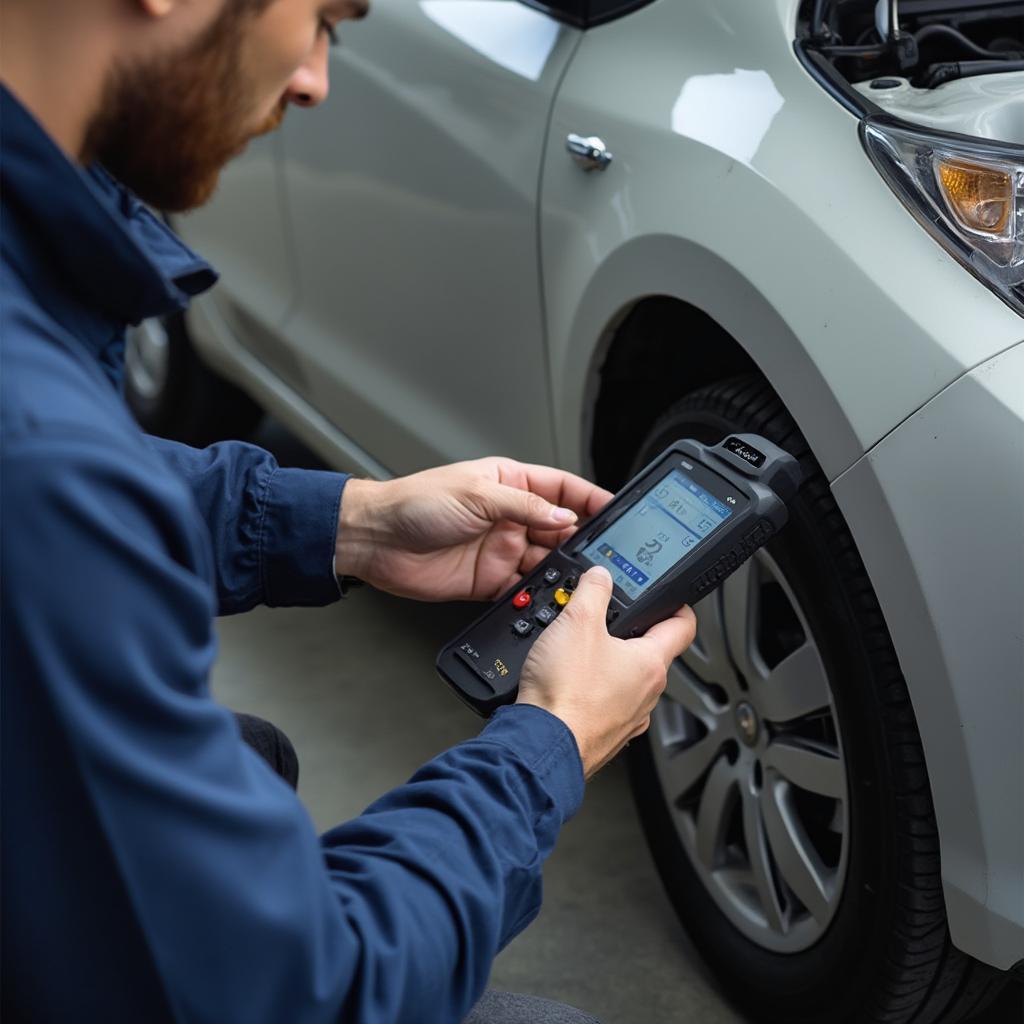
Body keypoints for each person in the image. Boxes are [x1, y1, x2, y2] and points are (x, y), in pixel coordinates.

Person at [0, 2, 697, 1022]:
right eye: (324, 16)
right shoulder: (44, 470)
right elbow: (311, 994)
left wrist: (352, 522)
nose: (316, 78)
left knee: (252, 760)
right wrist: (547, 742)